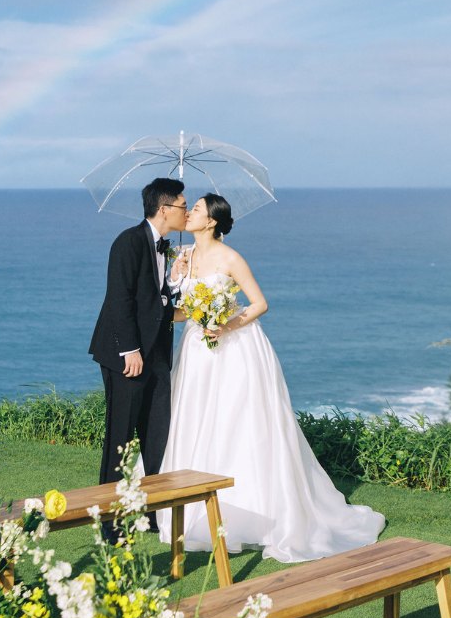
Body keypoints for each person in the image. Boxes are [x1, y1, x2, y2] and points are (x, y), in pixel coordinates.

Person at [158, 194, 386, 563]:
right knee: (199, 421)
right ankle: (194, 507)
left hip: (236, 349)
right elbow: (181, 313)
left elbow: (259, 303)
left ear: (212, 221)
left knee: (240, 423)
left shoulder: (231, 258)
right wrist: (175, 280)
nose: (189, 214)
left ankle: (253, 510)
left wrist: (226, 324)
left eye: (196, 209)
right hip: (198, 352)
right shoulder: (184, 257)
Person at [88, 178, 189, 503]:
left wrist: (175, 280)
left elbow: (154, 301)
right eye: (183, 206)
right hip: (125, 356)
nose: (186, 212)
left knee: (157, 434)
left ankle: (153, 512)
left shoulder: (165, 247)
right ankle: (108, 517)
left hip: (158, 355)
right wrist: (130, 350)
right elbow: (120, 299)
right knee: (121, 437)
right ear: (164, 209)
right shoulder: (128, 242)